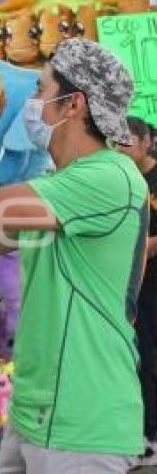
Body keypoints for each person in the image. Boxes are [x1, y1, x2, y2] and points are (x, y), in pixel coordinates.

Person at [0, 38, 146, 473]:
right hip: (35, 413)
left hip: (82, 421)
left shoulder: (108, 177)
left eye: (41, 90)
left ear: (73, 105)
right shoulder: (59, 186)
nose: (31, 103)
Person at [117, 116, 157, 464]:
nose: (122, 147)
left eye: (128, 140)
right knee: (135, 358)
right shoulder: (120, 180)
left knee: (149, 357)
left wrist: (139, 245)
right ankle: (139, 432)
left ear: (147, 142)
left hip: (151, 285)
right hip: (130, 286)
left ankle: (151, 436)